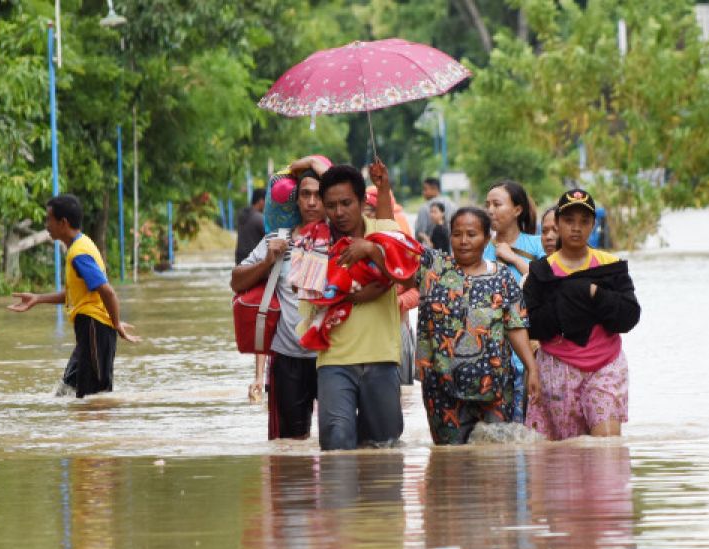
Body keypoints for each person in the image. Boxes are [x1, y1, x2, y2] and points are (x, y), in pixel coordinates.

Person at [405, 207, 540, 445]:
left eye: (472, 234)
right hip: (442, 388)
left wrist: (531, 368)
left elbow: (515, 327)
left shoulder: (502, 278)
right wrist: (383, 190)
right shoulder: (432, 268)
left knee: (496, 463)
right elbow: (394, 248)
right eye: (457, 234)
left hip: (494, 387)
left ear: (487, 238)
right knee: (450, 465)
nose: (464, 241)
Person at [298, 163, 405, 451]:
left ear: (360, 202)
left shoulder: (383, 232)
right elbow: (309, 296)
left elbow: (404, 272)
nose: (339, 212)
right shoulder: (311, 244)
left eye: (346, 203)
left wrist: (370, 250)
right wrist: (353, 292)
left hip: (381, 356)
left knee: (384, 449)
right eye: (331, 205)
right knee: (336, 447)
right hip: (333, 359)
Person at [522, 189, 640, 440]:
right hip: (557, 368)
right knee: (567, 452)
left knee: (606, 447)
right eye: (569, 221)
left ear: (593, 225)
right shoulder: (541, 272)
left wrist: (594, 292)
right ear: (557, 224)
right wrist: (572, 296)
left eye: (584, 222)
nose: (576, 228)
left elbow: (629, 316)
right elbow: (534, 326)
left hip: (606, 365)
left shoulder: (610, 266)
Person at [7, 194, 141, 397]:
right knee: (66, 391)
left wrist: (116, 324)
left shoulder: (79, 254)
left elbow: (108, 292)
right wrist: (38, 298)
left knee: (94, 399)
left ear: (63, 223)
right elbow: (76, 294)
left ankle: (94, 429)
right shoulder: (80, 245)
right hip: (90, 329)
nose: (46, 225)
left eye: (48, 219)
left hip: (95, 328)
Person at [231, 170, 325, 439]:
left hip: (332, 358)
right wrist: (266, 262)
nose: (311, 202)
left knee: (337, 441)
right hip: (288, 359)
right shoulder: (278, 239)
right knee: (290, 446)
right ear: (295, 201)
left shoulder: (341, 241)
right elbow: (236, 282)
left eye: (319, 195)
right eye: (305, 194)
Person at [483, 180, 545, 279]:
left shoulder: (540, 244)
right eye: (487, 205)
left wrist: (514, 259)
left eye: (497, 204)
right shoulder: (482, 248)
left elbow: (547, 283)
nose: (490, 210)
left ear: (517, 210)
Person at [414, 177, 457, 243]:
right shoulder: (452, 205)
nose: (423, 192)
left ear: (435, 189)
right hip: (450, 248)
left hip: (431, 250)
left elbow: (419, 233)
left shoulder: (424, 208)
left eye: (425, 189)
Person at [235, 188, 266, 265]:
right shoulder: (259, 218)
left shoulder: (242, 215)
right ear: (261, 201)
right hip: (253, 262)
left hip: (240, 261)